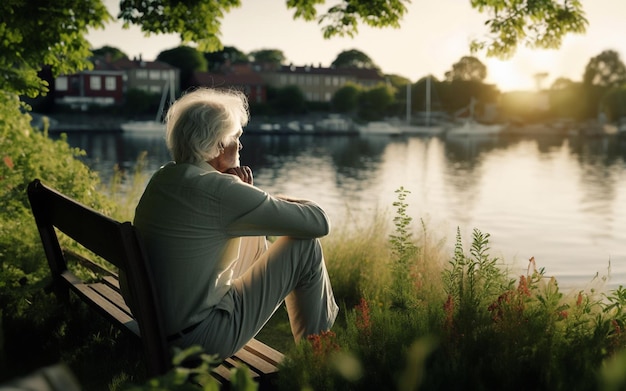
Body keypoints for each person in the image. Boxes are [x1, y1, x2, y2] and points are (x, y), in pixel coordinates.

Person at [130, 87, 339, 360]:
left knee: (252, 229)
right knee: (305, 247)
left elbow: (222, 207)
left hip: (156, 325)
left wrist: (245, 194)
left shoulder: (164, 177)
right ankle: (320, 363)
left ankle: (312, 350)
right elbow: (319, 222)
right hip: (197, 341)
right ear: (217, 145)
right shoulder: (219, 191)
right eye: (236, 137)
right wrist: (265, 197)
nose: (240, 145)